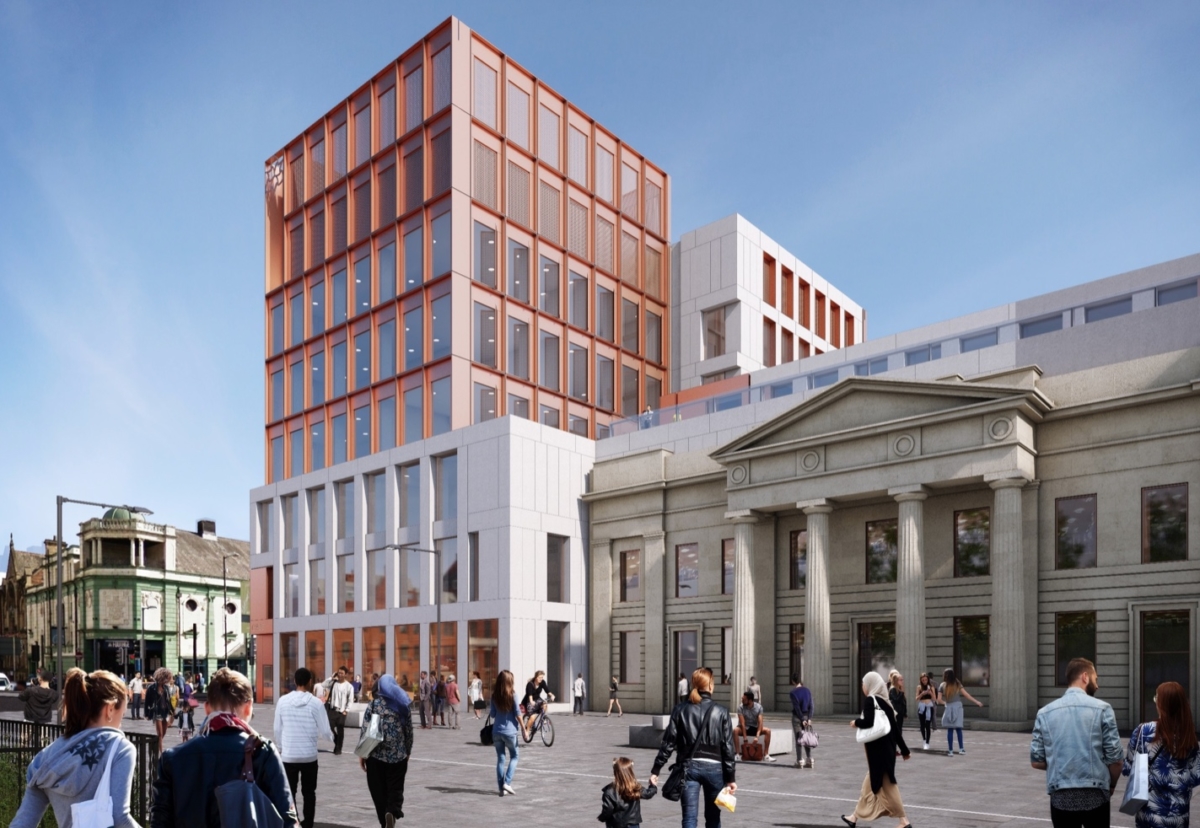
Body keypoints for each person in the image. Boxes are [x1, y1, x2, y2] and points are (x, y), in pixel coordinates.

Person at [150, 667, 297, 828]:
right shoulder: (262, 752)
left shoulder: (172, 758)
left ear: (207, 708)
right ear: (248, 707)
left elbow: (160, 822)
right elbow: (288, 820)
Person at [11, 669, 137, 828]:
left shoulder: (46, 758)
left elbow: (23, 822)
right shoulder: (120, 748)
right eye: (123, 714)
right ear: (110, 709)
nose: (120, 723)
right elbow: (121, 818)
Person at [1030, 657, 1123, 828]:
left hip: (1060, 797)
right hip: (1096, 795)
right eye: (1096, 679)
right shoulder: (1103, 709)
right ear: (1085, 677)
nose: (1097, 685)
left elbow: (1036, 761)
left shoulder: (1044, 713)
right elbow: (1116, 760)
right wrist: (1111, 786)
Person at [650, 667, 737, 828]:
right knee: (713, 819)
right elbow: (728, 748)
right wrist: (730, 778)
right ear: (710, 685)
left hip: (688, 768)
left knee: (689, 819)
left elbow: (668, 743)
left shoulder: (680, 709)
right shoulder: (721, 711)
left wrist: (656, 769)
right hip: (714, 769)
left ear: (693, 684)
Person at [1122, 681, 1200, 828]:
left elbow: (1128, 768)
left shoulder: (1143, 731)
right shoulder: (1188, 735)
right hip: (1179, 817)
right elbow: (1196, 776)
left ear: (1161, 704)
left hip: (1149, 816)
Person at [842, 672, 911, 828]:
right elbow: (895, 730)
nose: (862, 687)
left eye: (863, 683)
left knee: (889, 785)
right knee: (868, 785)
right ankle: (854, 817)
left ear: (870, 684)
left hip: (878, 753)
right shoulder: (886, 702)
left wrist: (855, 722)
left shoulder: (870, 701)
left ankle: (904, 821)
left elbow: (868, 722)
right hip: (886, 751)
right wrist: (905, 751)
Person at [275, 668, 334, 828]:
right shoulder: (316, 703)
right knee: (309, 793)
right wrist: (332, 739)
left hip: (289, 755)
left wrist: (281, 747)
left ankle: (292, 822)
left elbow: (277, 728)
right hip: (309, 756)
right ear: (310, 682)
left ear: (294, 681)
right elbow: (325, 730)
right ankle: (308, 823)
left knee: (290, 792)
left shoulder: (283, 701)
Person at [360, 675, 414, 827]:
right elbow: (408, 731)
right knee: (395, 789)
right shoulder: (403, 705)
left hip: (376, 756)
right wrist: (407, 750)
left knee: (378, 791)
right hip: (398, 755)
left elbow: (366, 730)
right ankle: (391, 810)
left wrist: (363, 755)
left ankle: (384, 820)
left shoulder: (374, 705)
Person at [490, 670, 527, 796]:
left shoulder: (494, 696)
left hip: (496, 732)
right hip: (510, 732)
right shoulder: (513, 695)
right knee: (515, 756)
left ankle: (502, 788)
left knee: (501, 758)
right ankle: (507, 783)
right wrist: (523, 729)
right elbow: (518, 714)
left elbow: (493, 714)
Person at [598, 756, 656, 828]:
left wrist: (602, 817)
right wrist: (652, 786)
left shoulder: (609, 791)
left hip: (616, 824)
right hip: (633, 823)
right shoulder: (635, 787)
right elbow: (648, 794)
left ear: (615, 772)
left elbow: (608, 809)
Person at [938, 668, 982, 755]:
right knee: (958, 729)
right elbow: (966, 695)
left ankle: (950, 751)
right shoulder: (957, 683)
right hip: (958, 707)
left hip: (949, 706)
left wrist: (946, 704)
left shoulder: (942, 685)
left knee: (950, 729)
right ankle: (961, 749)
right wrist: (977, 702)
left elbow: (939, 700)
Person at [734, 690, 775, 762]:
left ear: (750, 700)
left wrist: (757, 737)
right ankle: (737, 754)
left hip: (755, 727)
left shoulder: (759, 707)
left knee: (768, 731)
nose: (742, 701)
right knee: (735, 731)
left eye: (744, 699)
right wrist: (745, 738)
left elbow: (760, 723)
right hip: (745, 727)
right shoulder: (740, 707)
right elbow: (742, 723)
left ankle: (766, 755)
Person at [145, 668, 176, 753]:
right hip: (157, 711)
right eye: (168, 677)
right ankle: (161, 753)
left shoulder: (166, 687)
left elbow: (169, 701)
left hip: (165, 711)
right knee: (160, 734)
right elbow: (147, 701)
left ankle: (154, 744)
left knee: (164, 732)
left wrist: (172, 711)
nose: (169, 679)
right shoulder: (152, 688)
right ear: (162, 677)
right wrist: (146, 713)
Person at [789, 673, 815, 768]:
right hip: (807, 716)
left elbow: (796, 707)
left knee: (799, 739)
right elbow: (811, 706)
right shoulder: (807, 690)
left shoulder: (793, 693)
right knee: (806, 738)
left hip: (797, 717)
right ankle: (809, 759)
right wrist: (809, 718)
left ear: (793, 681)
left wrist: (801, 718)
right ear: (800, 681)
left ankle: (800, 760)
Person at [329, 667, 354, 755]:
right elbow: (324, 685)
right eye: (338, 673)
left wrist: (346, 710)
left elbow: (350, 700)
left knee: (340, 729)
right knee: (329, 727)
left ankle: (338, 748)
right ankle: (336, 739)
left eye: (342, 673)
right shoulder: (334, 683)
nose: (340, 675)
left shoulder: (349, 686)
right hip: (332, 710)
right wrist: (331, 677)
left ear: (346, 674)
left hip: (342, 711)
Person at [914, 673, 936, 751]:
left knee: (928, 725)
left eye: (926, 679)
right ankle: (924, 739)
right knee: (922, 725)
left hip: (929, 707)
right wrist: (921, 694)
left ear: (928, 679)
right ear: (920, 680)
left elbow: (934, 699)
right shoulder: (919, 687)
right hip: (922, 706)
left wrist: (930, 693)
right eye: (923, 680)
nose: (924, 681)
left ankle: (927, 743)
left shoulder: (931, 687)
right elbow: (916, 698)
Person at [177, 676, 195, 742]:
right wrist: (193, 692)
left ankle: (185, 740)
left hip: (187, 702)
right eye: (191, 678)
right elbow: (187, 694)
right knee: (188, 717)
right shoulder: (187, 686)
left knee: (188, 717)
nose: (192, 679)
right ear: (188, 678)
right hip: (188, 702)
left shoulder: (186, 685)